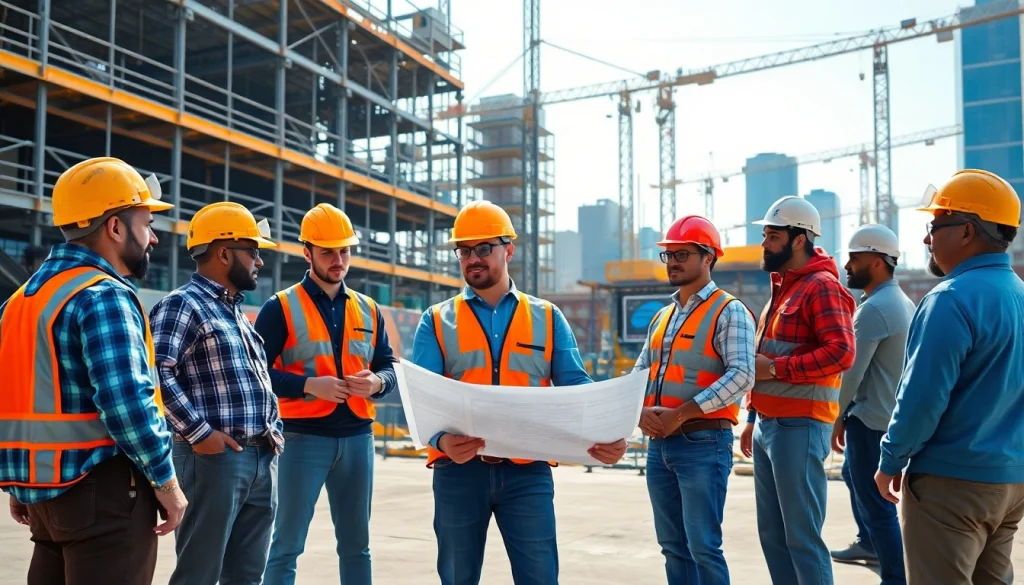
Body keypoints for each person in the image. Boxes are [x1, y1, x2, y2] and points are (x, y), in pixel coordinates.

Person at [411, 200, 628, 585]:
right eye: (464, 250)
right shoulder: (437, 320)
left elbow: (576, 386)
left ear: (508, 250)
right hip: (459, 472)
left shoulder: (547, 317)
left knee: (540, 577)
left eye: (483, 248)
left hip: (527, 474)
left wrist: (607, 432)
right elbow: (422, 397)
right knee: (457, 578)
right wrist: (441, 440)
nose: (472, 259)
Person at [0, 157, 186, 584]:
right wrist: (167, 484)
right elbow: (127, 403)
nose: (154, 237)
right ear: (115, 227)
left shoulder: (20, 302)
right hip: (104, 496)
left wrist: (23, 482)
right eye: (147, 223)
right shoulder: (104, 296)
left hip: (44, 495)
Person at [876, 169, 1024, 585]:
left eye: (935, 226)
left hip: (951, 484)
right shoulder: (1019, 295)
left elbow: (921, 398)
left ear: (967, 231)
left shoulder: (950, 299)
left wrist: (891, 459)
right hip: (1011, 480)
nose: (928, 239)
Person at [258, 203, 398, 585]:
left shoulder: (369, 309)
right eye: (327, 252)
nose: (338, 260)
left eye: (344, 251)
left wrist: (377, 383)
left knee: (357, 547)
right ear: (307, 253)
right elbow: (255, 373)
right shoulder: (280, 308)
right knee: (286, 545)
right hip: (302, 440)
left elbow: (389, 366)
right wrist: (308, 385)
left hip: (358, 440)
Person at [150, 201, 284, 585]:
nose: (259, 261)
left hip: (260, 457)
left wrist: (272, 432)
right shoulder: (182, 305)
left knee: (247, 576)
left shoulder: (235, 312)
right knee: (199, 574)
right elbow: (156, 374)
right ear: (224, 253)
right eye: (253, 251)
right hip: (213, 460)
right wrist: (200, 434)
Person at [633, 215, 756, 585]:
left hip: (703, 443)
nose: (673, 262)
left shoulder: (729, 310)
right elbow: (639, 373)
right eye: (669, 255)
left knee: (703, 546)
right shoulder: (662, 317)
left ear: (708, 257)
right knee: (673, 546)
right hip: (659, 446)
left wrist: (681, 414)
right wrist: (638, 411)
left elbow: (742, 375)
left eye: (682, 254)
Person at [742, 195, 856, 585]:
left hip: (800, 425)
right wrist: (752, 416)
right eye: (765, 235)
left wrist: (776, 368)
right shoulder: (783, 287)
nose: (764, 243)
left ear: (799, 239)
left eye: (772, 236)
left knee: (802, 539)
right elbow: (763, 356)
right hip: (768, 425)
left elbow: (841, 353)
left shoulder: (821, 287)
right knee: (773, 536)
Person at [828, 224, 913, 585]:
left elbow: (850, 373)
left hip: (869, 422)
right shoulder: (902, 301)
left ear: (878, 262)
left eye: (855, 258)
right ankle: (868, 542)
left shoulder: (875, 309)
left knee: (877, 507)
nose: (847, 265)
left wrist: (835, 417)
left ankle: (894, 577)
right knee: (853, 476)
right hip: (887, 416)